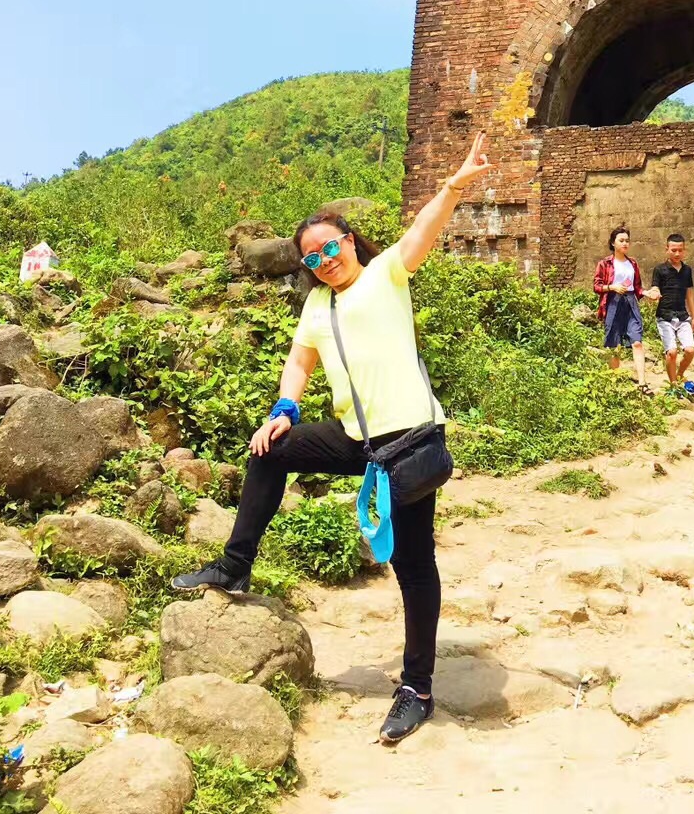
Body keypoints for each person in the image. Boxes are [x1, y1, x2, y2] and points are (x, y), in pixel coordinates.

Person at [172, 132, 492, 744]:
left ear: (350, 242)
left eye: (330, 248)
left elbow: (423, 229)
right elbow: (300, 360)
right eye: (311, 256)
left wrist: (453, 185)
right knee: (270, 449)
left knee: (413, 565)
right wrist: (284, 409)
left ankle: (416, 688)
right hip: (354, 439)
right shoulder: (317, 304)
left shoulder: (386, 275)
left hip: (408, 446)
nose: (323, 260)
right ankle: (234, 567)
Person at [594, 226, 651, 393]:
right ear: (613, 243)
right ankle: (615, 382)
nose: (625, 243)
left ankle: (642, 383)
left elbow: (638, 287)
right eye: (621, 240)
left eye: (627, 240)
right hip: (612, 303)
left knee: (637, 342)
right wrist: (612, 287)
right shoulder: (605, 263)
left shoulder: (632, 263)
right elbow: (596, 286)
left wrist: (647, 293)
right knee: (614, 345)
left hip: (630, 303)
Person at [646, 233, 694, 392]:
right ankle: (673, 385)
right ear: (667, 249)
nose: (677, 253)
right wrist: (653, 294)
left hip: (682, 316)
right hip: (665, 316)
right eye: (674, 250)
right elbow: (655, 287)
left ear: (684, 251)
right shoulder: (660, 270)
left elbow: (689, 293)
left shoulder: (687, 270)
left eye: (680, 250)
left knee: (690, 350)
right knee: (672, 352)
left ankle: (680, 374)